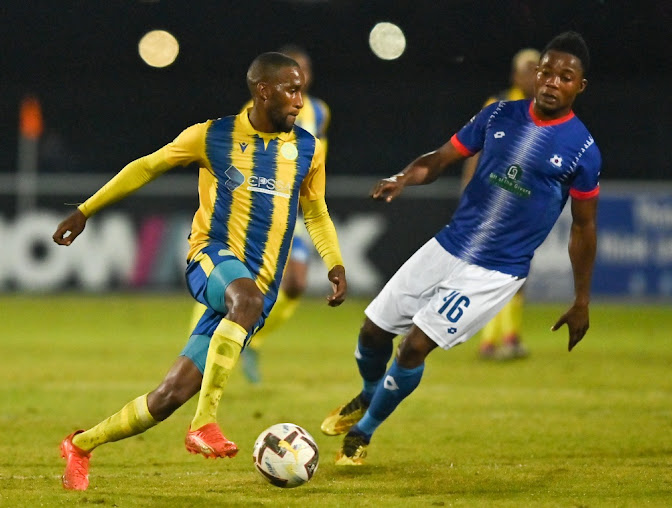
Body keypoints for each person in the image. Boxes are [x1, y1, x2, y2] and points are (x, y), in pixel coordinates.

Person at [52, 52, 347, 490]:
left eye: (301, 90)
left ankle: (81, 445)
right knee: (243, 299)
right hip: (211, 257)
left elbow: (317, 212)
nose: (300, 101)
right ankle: (205, 422)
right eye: (291, 90)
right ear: (263, 90)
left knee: (169, 395)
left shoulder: (307, 149)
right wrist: (86, 210)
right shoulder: (214, 135)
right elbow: (148, 166)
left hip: (254, 294)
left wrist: (335, 263)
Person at [320, 31, 599, 466]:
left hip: (495, 271)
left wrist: (581, 299)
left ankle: (363, 432)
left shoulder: (583, 150)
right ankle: (370, 393)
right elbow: (441, 158)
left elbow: (584, 228)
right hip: (450, 244)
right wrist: (403, 177)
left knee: (413, 347)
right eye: (546, 72)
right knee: (372, 331)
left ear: (579, 86)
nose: (551, 82)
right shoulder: (498, 114)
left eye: (565, 77)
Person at [187, 44, 331, 384]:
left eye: (306, 69)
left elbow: (314, 156)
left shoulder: (320, 112)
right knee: (230, 276)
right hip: (253, 208)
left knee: (295, 285)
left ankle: (254, 340)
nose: (302, 76)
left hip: (291, 208)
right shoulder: (256, 109)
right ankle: (198, 342)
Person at [461, 47, 541, 361]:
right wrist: (468, 190)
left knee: (515, 270)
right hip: (494, 196)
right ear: (515, 75)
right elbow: (474, 147)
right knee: (501, 269)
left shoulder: (543, 111)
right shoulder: (497, 105)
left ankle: (497, 340)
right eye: (529, 69)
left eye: (539, 70)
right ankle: (500, 339)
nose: (534, 75)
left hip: (523, 199)